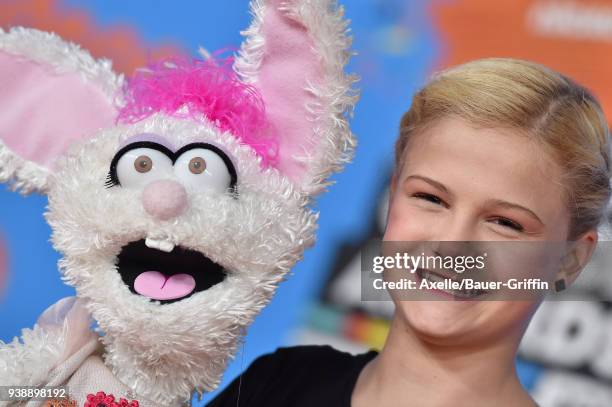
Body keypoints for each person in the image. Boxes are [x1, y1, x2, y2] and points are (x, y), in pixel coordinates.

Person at [206, 58, 611, 407]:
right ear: (393, 194)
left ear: (570, 259)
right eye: (431, 198)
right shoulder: (278, 385)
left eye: (505, 223)